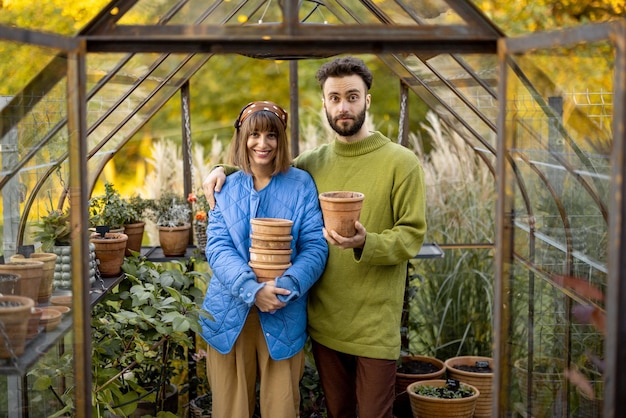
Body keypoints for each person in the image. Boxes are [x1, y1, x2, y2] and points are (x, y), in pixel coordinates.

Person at [203, 57, 426, 418]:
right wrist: (220, 170)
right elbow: (223, 235)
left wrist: (361, 245)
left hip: (356, 322)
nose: (343, 106)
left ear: (367, 100)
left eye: (352, 96)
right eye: (334, 98)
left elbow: (318, 245)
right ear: (324, 103)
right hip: (307, 321)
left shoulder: (393, 163)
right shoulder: (311, 163)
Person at [198, 100, 328, 418]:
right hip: (229, 313)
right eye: (254, 134)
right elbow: (217, 247)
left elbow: (315, 246)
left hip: (284, 311)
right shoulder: (225, 187)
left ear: (281, 140)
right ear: (242, 137)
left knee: (282, 409)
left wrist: (286, 286)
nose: (262, 143)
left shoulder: (301, 185)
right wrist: (252, 289)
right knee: (230, 410)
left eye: (271, 135)